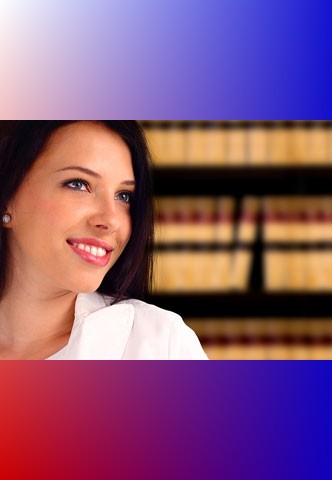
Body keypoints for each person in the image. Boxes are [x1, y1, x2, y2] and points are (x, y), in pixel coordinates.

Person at [0, 121, 207, 359]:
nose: (111, 220)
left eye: (124, 196)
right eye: (78, 184)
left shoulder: (160, 345)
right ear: (7, 197)